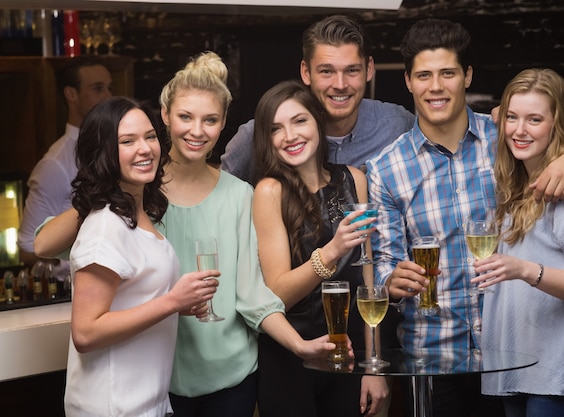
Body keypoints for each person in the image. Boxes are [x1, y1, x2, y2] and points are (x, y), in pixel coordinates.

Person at [34, 52, 336, 417]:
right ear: (165, 115)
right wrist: (106, 184)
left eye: (210, 120)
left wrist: (299, 346)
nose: (197, 131)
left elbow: (253, 296)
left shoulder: (241, 195)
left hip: (232, 376)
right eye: (185, 117)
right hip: (159, 379)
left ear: (224, 122)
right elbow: (44, 245)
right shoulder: (138, 188)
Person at [365, 18, 564, 417]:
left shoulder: (505, 137)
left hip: (512, 352)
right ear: (408, 82)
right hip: (437, 353)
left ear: (466, 76)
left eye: (448, 73)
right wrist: (390, 280)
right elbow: (383, 261)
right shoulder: (386, 167)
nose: (436, 86)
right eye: (424, 75)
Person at [63, 96, 214, 417]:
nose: (145, 148)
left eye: (149, 137)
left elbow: (132, 301)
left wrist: (180, 305)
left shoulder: (138, 214)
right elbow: (86, 332)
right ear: (102, 153)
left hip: (147, 402)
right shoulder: (104, 227)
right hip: (112, 406)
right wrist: (172, 301)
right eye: (127, 141)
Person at [475, 68, 564, 417]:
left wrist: (523, 270)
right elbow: (505, 119)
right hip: (520, 368)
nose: (520, 130)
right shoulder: (520, 184)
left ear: (556, 124)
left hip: (557, 377)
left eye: (535, 119)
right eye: (513, 118)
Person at [252, 79, 388, 417]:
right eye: (276, 129)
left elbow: (368, 284)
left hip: (351, 349)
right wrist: (333, 250)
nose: (290, 136)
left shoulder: (354, 180)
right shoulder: (270, 191)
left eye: (299, 121)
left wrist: (374, 365)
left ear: (317, 120)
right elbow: (278, 294)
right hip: (292, 357)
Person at [220, 14, 414, 183]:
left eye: (352, 70)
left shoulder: (397, 124)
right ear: (306, 72)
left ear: (369, 69)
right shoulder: (258, 134)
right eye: (326, 71)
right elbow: (221, 199)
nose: (340, 84)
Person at [18, 55, 113, 276]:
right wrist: (76, 258)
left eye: (110, 87)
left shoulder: (122, 149)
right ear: (71, 94)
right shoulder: (54, 165)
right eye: (98, 88)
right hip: (70, 298)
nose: (109, 96)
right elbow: (27, 248)